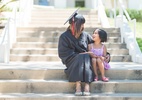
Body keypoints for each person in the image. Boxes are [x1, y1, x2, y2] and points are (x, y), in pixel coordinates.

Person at [58, 9, 110, 96]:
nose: (83, 26)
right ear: (75, 25)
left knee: (85, 57)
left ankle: (86, 84)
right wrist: (83, 54)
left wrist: (107, 55)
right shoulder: (64, 37)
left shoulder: (85, 35)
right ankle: (78, 85)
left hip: (86, 63)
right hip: (72, 62)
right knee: (83, 57)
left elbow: (96, 45)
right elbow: (63, 54)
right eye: (81, 24)